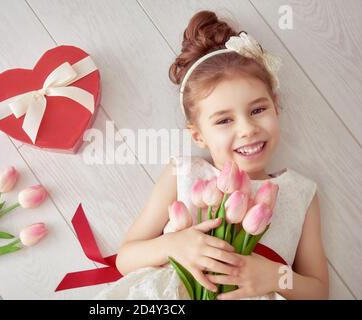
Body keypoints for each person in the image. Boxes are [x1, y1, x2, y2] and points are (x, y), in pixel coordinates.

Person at [95, 10, 328, 300]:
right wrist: (173, 246)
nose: (247, 129)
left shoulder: (300, 192)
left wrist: (275, 276)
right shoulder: (183, 173)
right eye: (223, 120)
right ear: (198, 135)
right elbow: (125, 258)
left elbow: (319, 291)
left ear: (276, 107)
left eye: (258, 110)